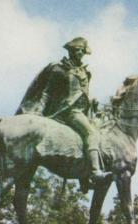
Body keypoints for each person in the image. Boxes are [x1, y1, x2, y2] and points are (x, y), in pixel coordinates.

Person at [16, 37, 113, 185]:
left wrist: (92, 101)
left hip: (83, 111)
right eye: (77, 50)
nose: (79, 53)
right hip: (69, 111)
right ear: (71, 52)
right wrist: (39, 110)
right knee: (91, 133)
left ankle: (83, 177)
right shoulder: (59, 69)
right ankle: (95, 172)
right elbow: (47, 92)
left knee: (98, 133)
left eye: (82, 51)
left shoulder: (86, 72)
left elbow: (83, 92)